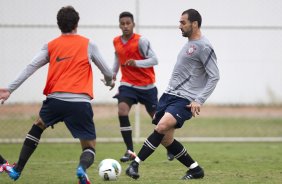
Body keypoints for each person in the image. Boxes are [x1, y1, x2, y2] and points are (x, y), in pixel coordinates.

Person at [0, 6, 114, 184]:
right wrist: (109, 82)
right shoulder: (88, 44)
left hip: (56, 100)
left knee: (38, 125)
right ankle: (81, 169)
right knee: (89, 147)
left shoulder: (51, 45)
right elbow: (107, 71)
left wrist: (9, 89)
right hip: (80, 102)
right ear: (77, 23)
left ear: (59, 25)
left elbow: (30, 67)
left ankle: (17, 169)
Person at [125, 9, 220, 180]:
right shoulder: (189, 44)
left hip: (185, 99)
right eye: (180, 22)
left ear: (195, 24)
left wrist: (199, 100)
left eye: (183, 22)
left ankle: (135, 164)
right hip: (169, 96)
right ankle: (195, 169)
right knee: (166, 140)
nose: (179, 26)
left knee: (160, 127)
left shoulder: (204, 46)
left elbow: (214, 76)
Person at [112, 11, 174, 162]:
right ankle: (129, 150)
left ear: (133, 24)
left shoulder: (141, 41)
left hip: (147, 87)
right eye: (123, 23)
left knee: (159, 121)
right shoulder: (116, 41)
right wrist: (112, 75)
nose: (125, 26)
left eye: (128, 23)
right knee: (122, 110)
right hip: (128, 84)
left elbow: (154, 60)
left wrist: (137, 63)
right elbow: (117, 57)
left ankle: (171, 148)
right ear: (119, 25)